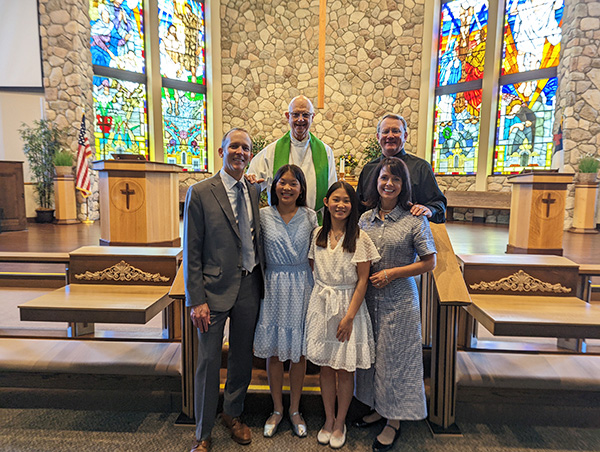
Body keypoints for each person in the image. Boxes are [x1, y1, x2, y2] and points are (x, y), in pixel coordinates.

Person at [183, 128, 264, 452]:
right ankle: (202, 432)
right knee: (208, 360)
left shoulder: (254, 189)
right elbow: (192, 250)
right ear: (221, 151)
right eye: (234, 146)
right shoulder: (201, 192)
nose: (240, 152)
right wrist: (196, 299)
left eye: (245, 148)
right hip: (213, 290)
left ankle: (232, 413)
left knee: (242, 355)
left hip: (248, 284)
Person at [354, 157, 437, 452]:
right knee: (373, 357)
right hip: (369, 299)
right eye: (384, 178)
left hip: (400, 300)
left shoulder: (414, 219)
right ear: (376, 182)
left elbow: (429, 262)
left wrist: (392, 273)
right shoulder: (365, 219)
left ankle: (394, 420)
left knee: (395, 360)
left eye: (395, 179)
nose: (389, 184)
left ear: (403, 186)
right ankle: (378, 407)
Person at [304, 181, 380, 449]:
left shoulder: (360, 238)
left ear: (353, 205)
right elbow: (313, 268)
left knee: (345, 370)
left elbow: (363, 281)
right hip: (322, 306)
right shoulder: (317, 234)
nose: (341, 205)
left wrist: (348, 317)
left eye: (346, 201)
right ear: (326, 202)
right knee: (326, 366)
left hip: (349, 307)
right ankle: (328, 418)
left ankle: (340, 422)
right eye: (336, 200)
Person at [253, 164, 318, 438]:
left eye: (294, 183)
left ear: (301, 188)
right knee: (276, 350)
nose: (287, 188)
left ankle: (295, 409)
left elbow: (317, 255)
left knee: (299, 351)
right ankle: (277, 409)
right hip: (273, 284)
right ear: (273, 186)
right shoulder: (262, 216)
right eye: (282, 182)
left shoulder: (311, 216)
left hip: (302, 282)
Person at [247, 95, 337, 218]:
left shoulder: (326, 152)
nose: (300, 119)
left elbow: (333, 192)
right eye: (295, 114)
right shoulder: (271, 152)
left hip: (315, 223)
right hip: (280, 222)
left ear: (313, 117)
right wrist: (251, 181)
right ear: (287, 116)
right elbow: (252, 186)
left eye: (305, 115)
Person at [356, 114, 447, 223]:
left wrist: (429, 210)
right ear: (378, 137)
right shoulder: (368, 169)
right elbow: (358, 208)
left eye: (395, 131)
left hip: (409, 234)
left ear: (405, 136)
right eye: (385, 132)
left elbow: (438, 204)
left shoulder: (421, 167)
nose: (390, 136)